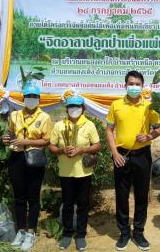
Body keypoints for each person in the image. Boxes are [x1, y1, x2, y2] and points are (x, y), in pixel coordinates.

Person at [105, 70, 160, 251]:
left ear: (143, 86)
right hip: (122, 155)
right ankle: (124, 233)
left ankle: (138, 232)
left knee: (141, 195)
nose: (134, 87)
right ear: (125, 85)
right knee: (121, 195)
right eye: (131, 83)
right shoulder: (116, 105)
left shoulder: (149, 106)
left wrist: (148, 136)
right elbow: (109, 130)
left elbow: (158, 129)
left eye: (138, 84)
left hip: (142, 156)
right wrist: (114, 153)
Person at [2, 82, 53, 252]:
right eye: (28, 96)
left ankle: (31, 232)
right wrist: (6, 139)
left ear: (39, 99)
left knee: (33, 197)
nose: (31, 99)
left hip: (34, 158)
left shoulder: (44, 117)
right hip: (16, 158)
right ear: (23, 98)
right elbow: (10, 133)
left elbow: (47, 140)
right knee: (19, 197)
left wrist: (27, 142)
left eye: (34, 97)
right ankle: (21, 230)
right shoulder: (15, 115)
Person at [49, 94, 101, 251]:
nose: (74, 110)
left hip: (84, 172)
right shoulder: (59, 125)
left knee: (83, 205)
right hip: (66, 172)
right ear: (66, 109)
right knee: (67, 205)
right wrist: (61, 150)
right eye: (71, 107)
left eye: (77, 107)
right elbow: (51, 147)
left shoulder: (89, 125)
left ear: (83, 109)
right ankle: (66, 234)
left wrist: (82, 149)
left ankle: (80, 235)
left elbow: (97, 145)